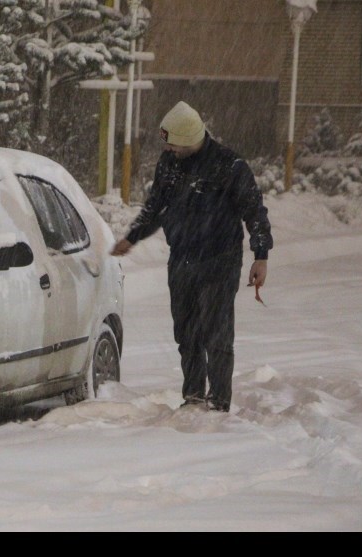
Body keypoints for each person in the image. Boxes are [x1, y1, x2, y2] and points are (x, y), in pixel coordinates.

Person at [111, 101, 273, 412]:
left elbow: (254, 211)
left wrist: (261, 255)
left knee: (217, 334)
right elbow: (156, 205)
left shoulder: (229, 166)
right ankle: (194, 396)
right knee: (187, 334)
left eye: (171, 142)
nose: (167, 149)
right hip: (182, 258)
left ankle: (219, 402)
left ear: (187, 138)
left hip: (219, 260)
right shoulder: (170, 163)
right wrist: (132, 237)